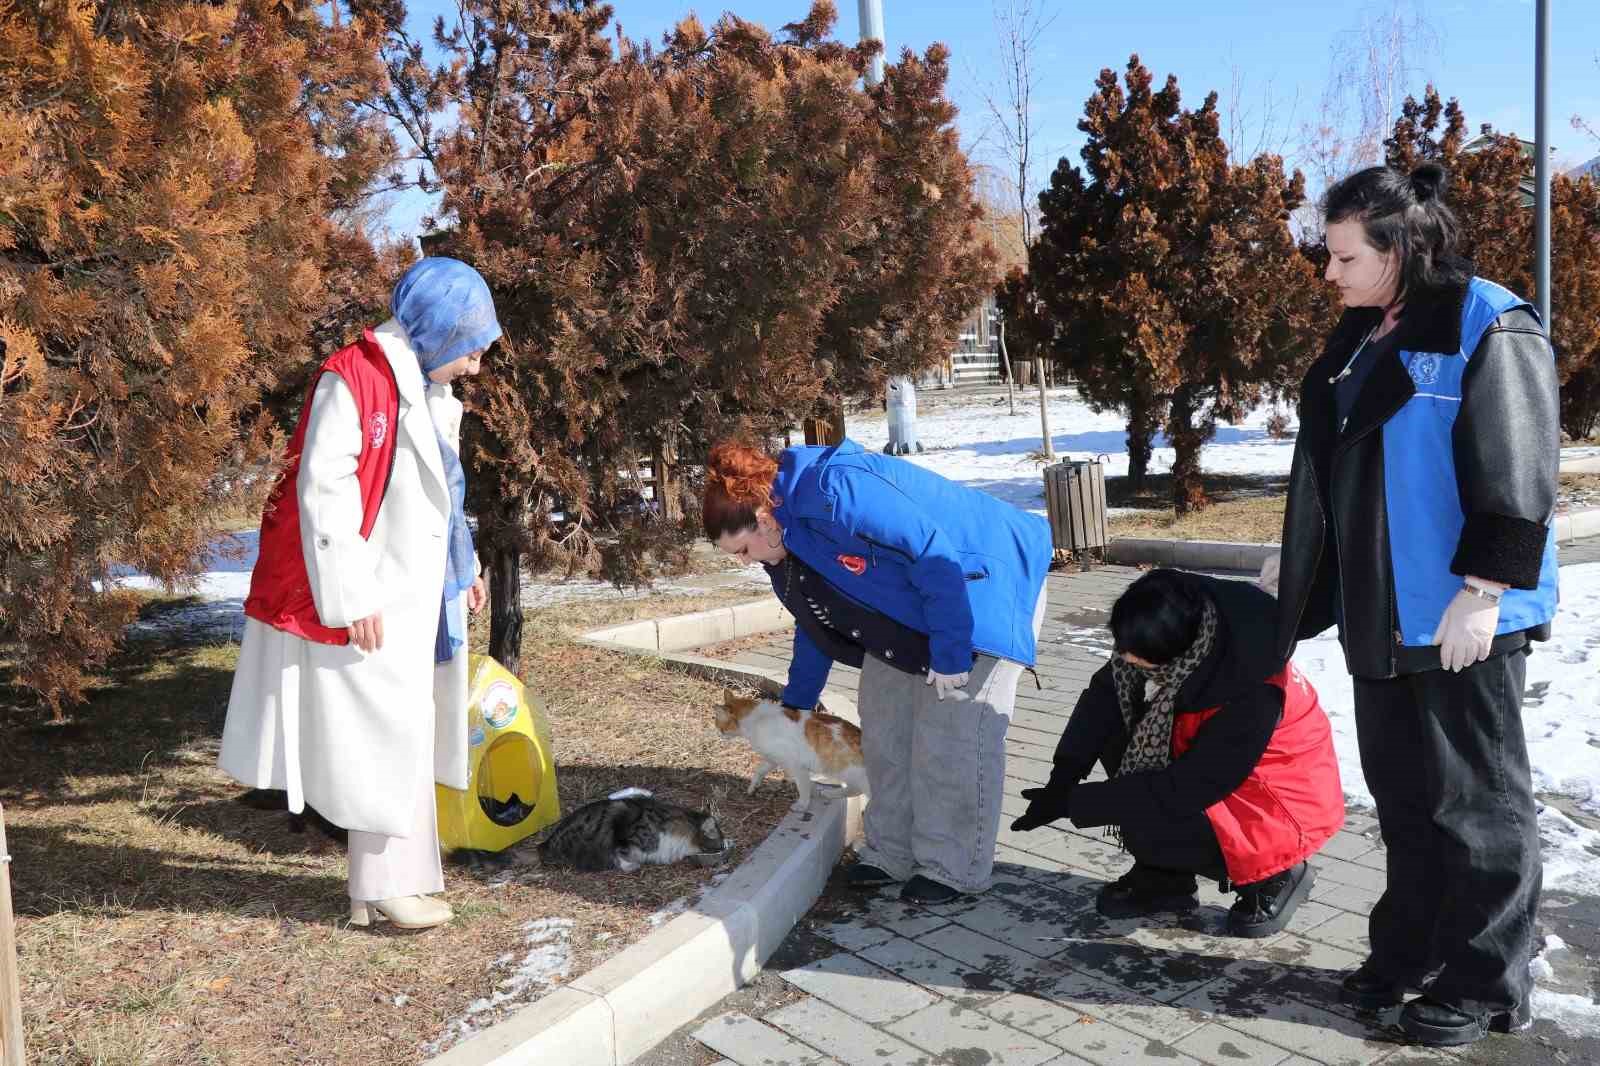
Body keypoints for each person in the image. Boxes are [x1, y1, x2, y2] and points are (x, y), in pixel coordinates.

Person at [1266, 164, 1558, 1046]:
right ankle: (1414, 952)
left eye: (1345, 255)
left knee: (1479, 805)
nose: (1330, 272)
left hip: (1458, 611)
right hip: (1379, 610)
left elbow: (1518, 465)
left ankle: (1486, 980)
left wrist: (1485, 589)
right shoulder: (1363, 330)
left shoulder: (1486, 320)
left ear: (1396, 247)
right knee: (1405, 800)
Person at [220, 257, 500, 930]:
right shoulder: (355, 382)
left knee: (411, 729)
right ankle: (379, 887)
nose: (477, 367)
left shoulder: (425, 392)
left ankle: (396, 881)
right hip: (373, 599)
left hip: (414, 592)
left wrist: (463, 571)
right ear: (435, 330)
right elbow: (323, 491)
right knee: (381, 738)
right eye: (471, 348)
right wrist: (352, 597)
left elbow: (444, 495)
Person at [702, 438, 1053, 904]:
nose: (746, 562)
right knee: (885, 727)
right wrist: (798, 702)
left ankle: (952, 866)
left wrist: (949, 652)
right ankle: (892, 852)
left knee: (951, 739)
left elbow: (933, 553)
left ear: (764, 520)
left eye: (742, 550)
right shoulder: (787, 541)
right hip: (908, 613)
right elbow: (813, 615)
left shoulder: (839, 492)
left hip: (979, 587)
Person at [1012, 569, 1344, 937]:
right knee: (1123, 737)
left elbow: (1187, 788)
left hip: (1273, 805)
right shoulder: (1181, 625)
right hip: (1212, 775)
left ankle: (1275, 873)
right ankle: (1164, 877)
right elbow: (1103, 697)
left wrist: (1074, 803)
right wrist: (1062, 780)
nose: (1125, 658)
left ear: (1181, 651)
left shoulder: (1252, 690)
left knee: (1148, 801)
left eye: (1138, 656)